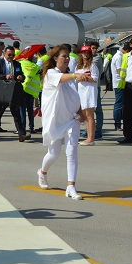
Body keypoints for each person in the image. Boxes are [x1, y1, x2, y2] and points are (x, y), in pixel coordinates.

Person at [37, 47, 89, 200]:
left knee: (72, 152)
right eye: (63, 56)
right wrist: (76, 75)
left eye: (68, 57)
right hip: (54, 122)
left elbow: (74, 96)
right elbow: (61, 79)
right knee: (53, 154)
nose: (66, 59)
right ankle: (42, 172)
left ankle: (71, 187)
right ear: (55, 58)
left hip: (71, 120)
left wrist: (80, 112)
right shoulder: (50, 74)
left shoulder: (71, 78)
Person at [76, 46, 100, 145]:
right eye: (83, 53)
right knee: (85, 115)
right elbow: (76, 78)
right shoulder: (78, 67)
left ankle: (91, 138)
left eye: (87, 53)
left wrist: (85, 77)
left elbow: (95, 79)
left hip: (89, 91)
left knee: (90, 115)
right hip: (81, 91)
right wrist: (81, 77)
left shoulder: (92, 66)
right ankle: (88, 137)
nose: (85, 55)